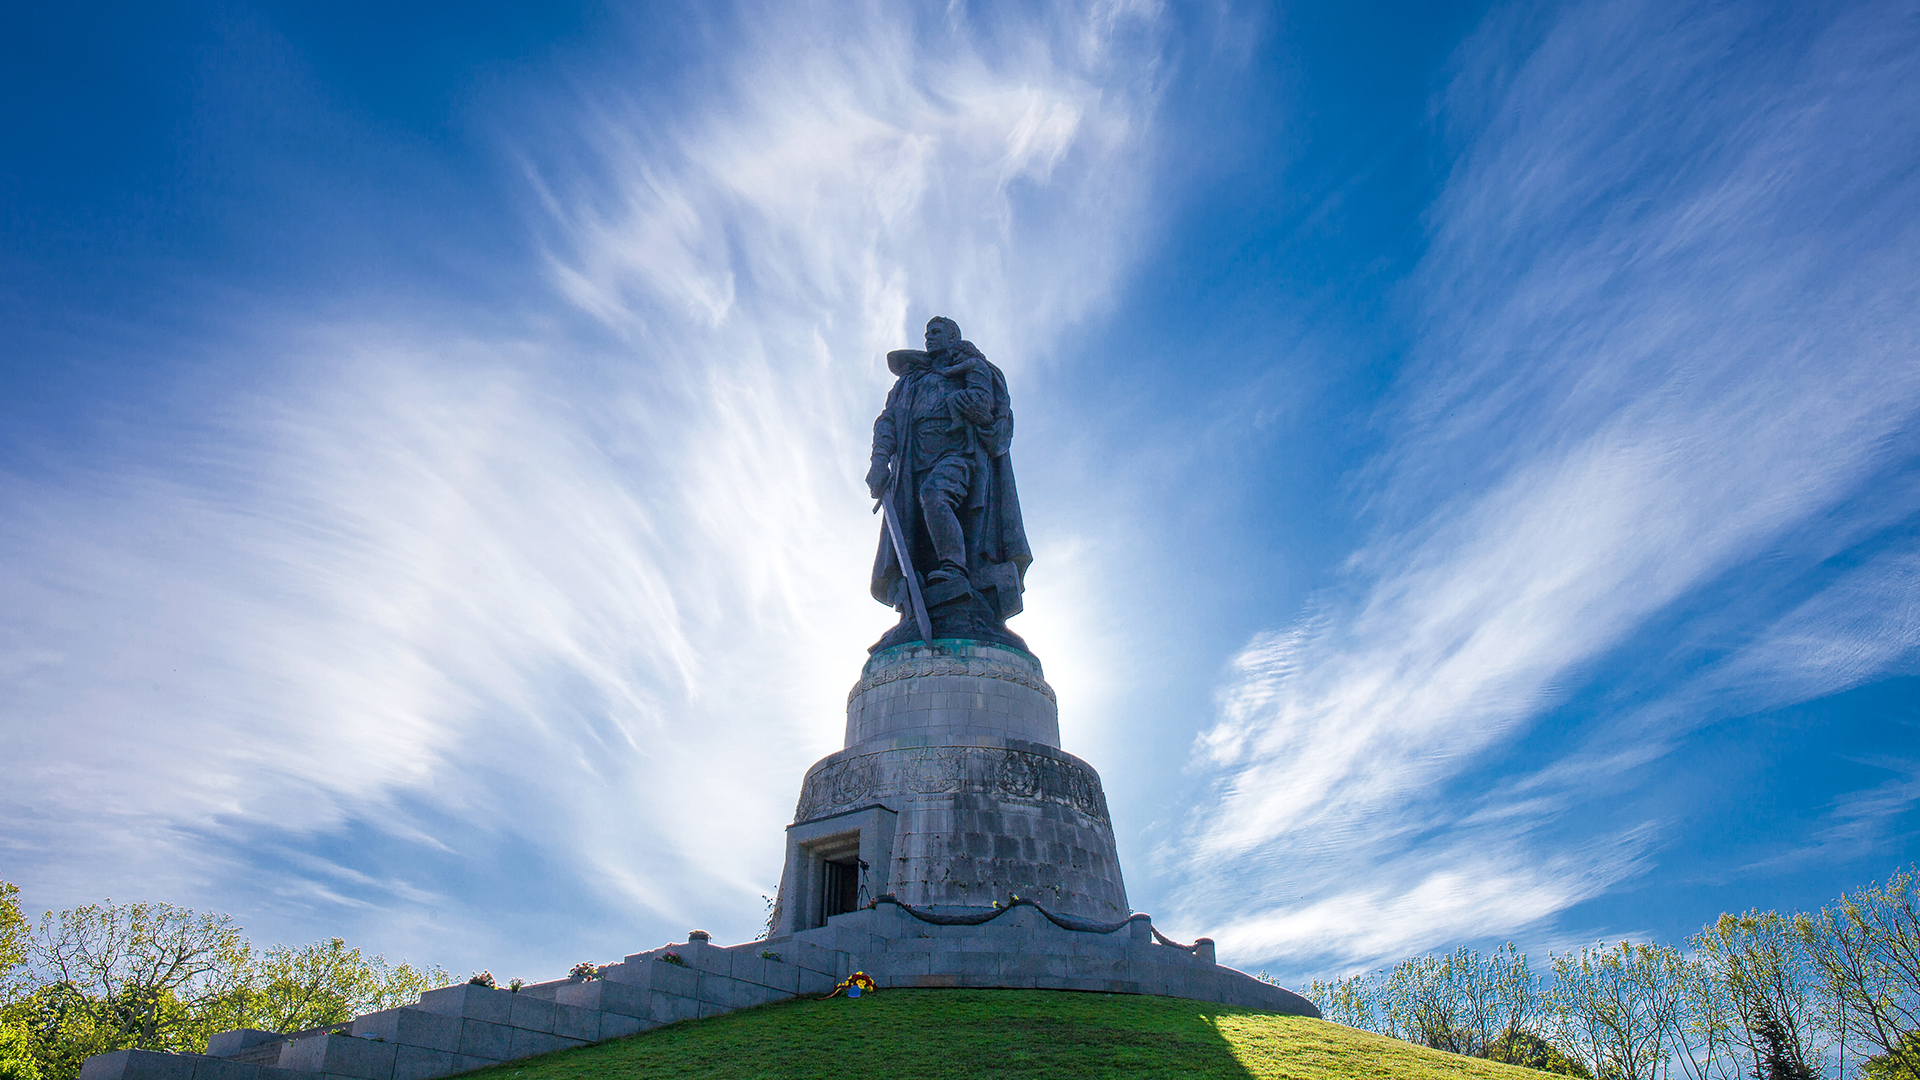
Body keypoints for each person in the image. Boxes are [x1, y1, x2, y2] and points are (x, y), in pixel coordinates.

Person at [866, 317, 1031, 647]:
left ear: (954, 337)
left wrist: (973, 410)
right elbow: (888, 421)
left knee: (935, 496)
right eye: (927, 333)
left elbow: (991, 411)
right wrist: (878, 458)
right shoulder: (909, 382)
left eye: (937, 332)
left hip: (958, 455)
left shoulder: (972, 368)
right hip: (912, 463)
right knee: (918, 533)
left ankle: (955, 571)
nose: (929, 338)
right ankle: (926, 596)